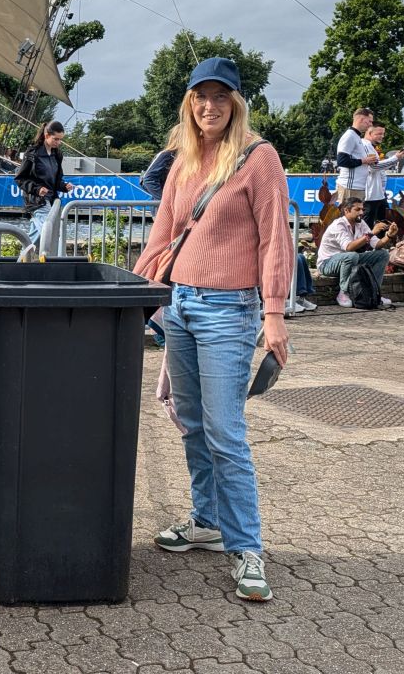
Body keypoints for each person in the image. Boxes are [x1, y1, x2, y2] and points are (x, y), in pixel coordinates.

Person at [133, 56, 291, 603]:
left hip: (230, 311)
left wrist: (274, 315)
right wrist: (134, 294)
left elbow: (275, 238)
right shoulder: (182, 159)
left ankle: (248, 548)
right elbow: (164, 234)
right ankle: (206, 521)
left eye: (220, 97)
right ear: (189, 102)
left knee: (226, 431)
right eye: (201, 96)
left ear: (236, 103)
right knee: (193, 421)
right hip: (179, 307)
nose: (209, 106)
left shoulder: (259, 158)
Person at [316, 198, 395, 307]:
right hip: (327, 263)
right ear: (346, 211)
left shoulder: (360, 223)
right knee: (352, 255)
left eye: (362, 209)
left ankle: (374, 293)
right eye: (357, 209)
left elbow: (377, 244)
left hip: (349, 259)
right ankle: (343, 293)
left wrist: (389, 235)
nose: (362, 213)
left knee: (383, 254)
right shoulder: (338, 225)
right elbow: (348, 247)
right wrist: (371, 233)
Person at [14, 121, 74, 244]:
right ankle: (61, 260)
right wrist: (37, 189)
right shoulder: (32, 153)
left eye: (60, 139)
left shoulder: (56, 154)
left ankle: (23, 260)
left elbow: (55, 180)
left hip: (51, 199)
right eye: (55, 139)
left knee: (33, 240)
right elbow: (20, 179)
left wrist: (63, 186)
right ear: (46, 135)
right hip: (37, 201)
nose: (58, 142)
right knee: (51, 233)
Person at [361, 124, 404, 227]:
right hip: (370, 195)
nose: (382, 136)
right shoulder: (365, 145)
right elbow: (374, 167)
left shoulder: (371, 147)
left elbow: (378, 167)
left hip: (378, 193)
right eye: (379, 133)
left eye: (383, 134)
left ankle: (381, 242)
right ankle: (368, 242)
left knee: (384, 222)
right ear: (370, 133)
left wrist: (394, 160)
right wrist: (394, 158)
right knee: (368, 225)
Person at [333, 107, 376, 205]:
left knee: (356, 219)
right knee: (348, 219)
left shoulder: (356, 136)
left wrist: (367, 160)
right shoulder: (349, 136)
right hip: (350, 187)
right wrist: (364, 161)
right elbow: (342, 161)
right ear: (361, 119)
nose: (370, 125)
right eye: (369, 121)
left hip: (357, 187)